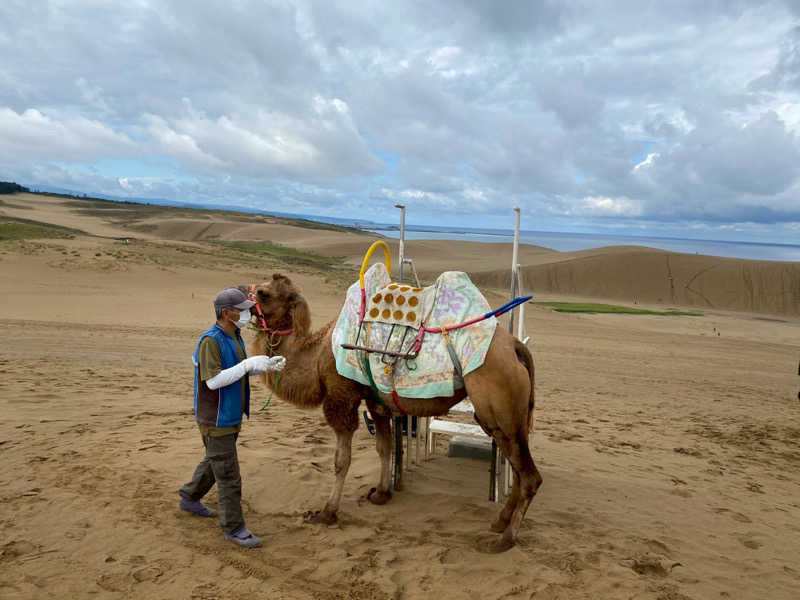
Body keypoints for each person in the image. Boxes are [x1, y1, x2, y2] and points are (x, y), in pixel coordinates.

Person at [178, 287, 286, 548]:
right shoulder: (210, 341)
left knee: (215, 460)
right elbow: (213, 381)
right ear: (226, 313)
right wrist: (248, 366)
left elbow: (235, 371)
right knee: (228, 475)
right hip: (215, 419)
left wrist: (262, 365)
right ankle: (234, 528)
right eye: (242, 310)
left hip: (229, 416)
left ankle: (189, 497)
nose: (247, 314)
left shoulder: (234, 336)